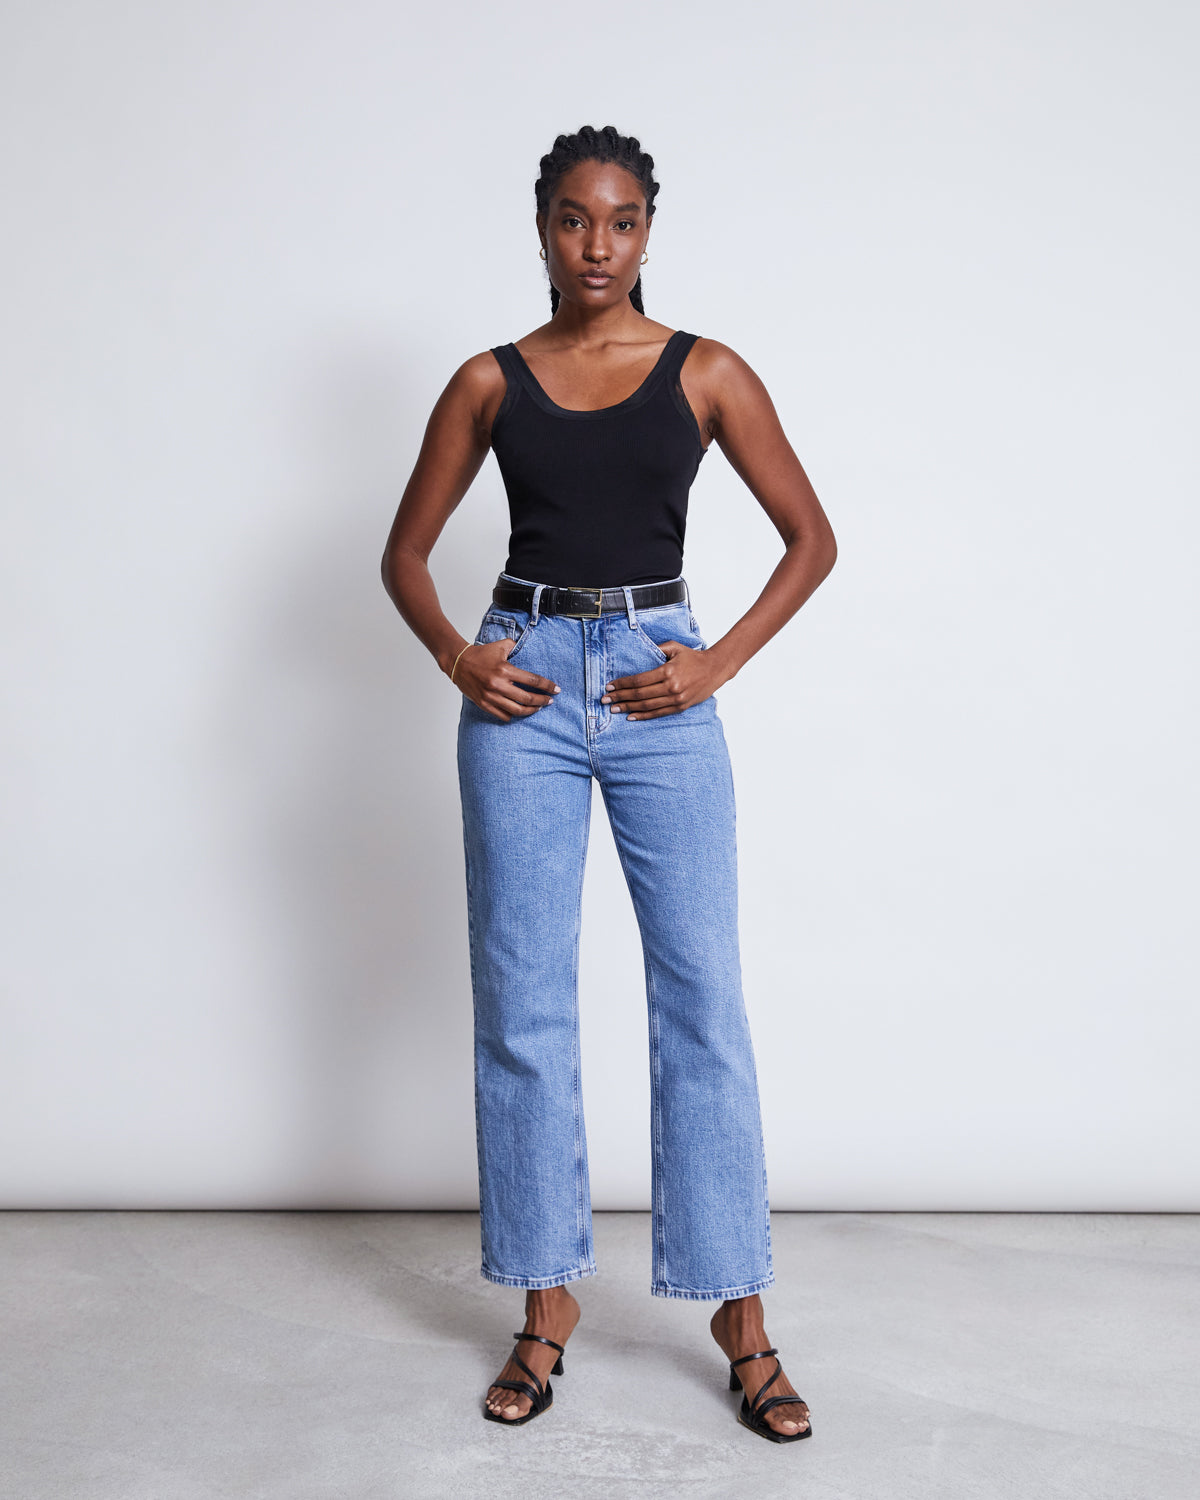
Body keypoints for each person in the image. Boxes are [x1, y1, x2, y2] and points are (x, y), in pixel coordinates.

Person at [380, 124, 836, 1443]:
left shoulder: (707, 372)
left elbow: (812, 540)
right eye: (575, 220)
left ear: (648, 232)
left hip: (656, 681)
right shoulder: (488, 380)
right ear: (541, 230)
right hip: (522, 685)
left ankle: (742, 1319)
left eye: (622, 221)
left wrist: (714, 665)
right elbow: (404, 554)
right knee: (522, 1000)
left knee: (702, 997)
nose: (598, 244)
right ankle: (545, 1305)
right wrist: (462, 656)